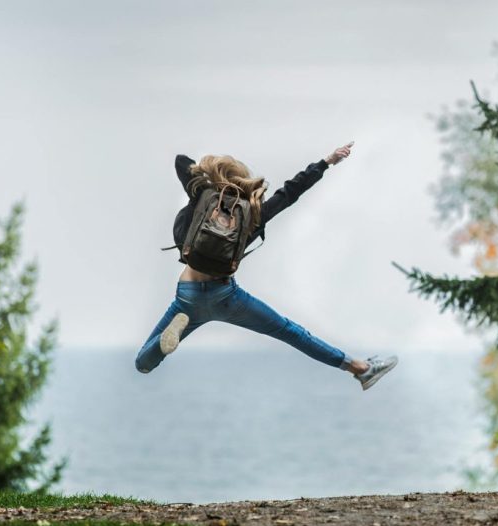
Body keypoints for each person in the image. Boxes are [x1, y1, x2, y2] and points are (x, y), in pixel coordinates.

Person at [134, 142, 398, 391]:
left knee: (143, 364)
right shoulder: (253, 213)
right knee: (291, 332)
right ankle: (360, 369)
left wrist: (207, 179)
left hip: (188, 296)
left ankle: (165, 341)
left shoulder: (202, 196)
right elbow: (290, 192)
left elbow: (181, 161)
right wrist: (326, 162)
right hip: (225, 296)